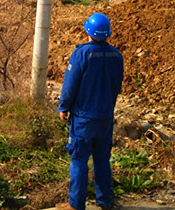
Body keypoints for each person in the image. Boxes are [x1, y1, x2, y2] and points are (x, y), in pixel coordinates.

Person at [57, 13, 123, 210]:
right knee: (102, 160)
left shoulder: (81, 54)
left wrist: (63, 107)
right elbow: (116, 86)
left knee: (78, 161)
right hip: (105, 117)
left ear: (88, 31)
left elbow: (70, 85)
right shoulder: (116, 56)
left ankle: (75, 205)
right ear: (107, 33)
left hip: (83, 118)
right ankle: (105, 201)